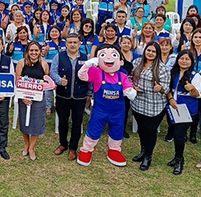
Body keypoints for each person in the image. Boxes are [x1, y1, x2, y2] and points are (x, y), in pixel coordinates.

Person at [77, 45, 136, 167]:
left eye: (113, 55)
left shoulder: (122, 76)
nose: (108, 59)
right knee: (93, 130)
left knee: (117, 131)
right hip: (100, 111)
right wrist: (87, 64)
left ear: (120, 61)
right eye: (103, 55)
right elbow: (82, 76)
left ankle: (114, 150)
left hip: (118, 112)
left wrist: (130, 91)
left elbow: (128, 87)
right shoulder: (97, 72)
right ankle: (86, 150)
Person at [130, 42, 171, 171]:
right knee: (141, 130)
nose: (150, 53)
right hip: (138, 102)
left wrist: (160, 88)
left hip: (154, 105)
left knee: (150, 131)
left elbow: (166, 87)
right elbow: (130, 78)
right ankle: (143, 151)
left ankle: (148, 156)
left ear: (157, 53)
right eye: (149, 50)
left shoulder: (162, 68)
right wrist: (132, 86)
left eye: (153, 51)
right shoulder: (137, 62)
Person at [50, 33, 89, 161]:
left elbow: (90, 78)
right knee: (63, 122)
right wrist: (60, 80)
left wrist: (89, 94)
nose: (72, 44)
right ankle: (63, 144)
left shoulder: (85, 58)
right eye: (70, 42)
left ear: (79, 44)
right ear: (66, 44)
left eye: (75, 42)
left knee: (77, 123)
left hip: (80, 97)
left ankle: (73, 148)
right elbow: (52, 72)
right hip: (63, 96)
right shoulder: (59, 56)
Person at [166, 50, 201, 175]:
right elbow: (168, 89)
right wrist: (170, 98)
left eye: (187, 59)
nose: (184, 61)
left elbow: (197, 95)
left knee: (178, 134)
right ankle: (176, 157)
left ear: (192, 61)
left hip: (186, 110)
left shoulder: (195, 76)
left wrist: (192, 88)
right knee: (175, 132)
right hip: (173, 108)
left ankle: (179, 160)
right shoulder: (172, 73)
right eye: (182, 58)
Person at [16, 41, 50, 161]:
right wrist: (23, 97)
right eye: (31, 50)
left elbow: (46, 82)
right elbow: (17, 82)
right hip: (24, 98)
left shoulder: (44, 64)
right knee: (25, 122)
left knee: (37, 123)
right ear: (27, 52)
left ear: (40, 51)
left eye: (36, 50)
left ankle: (32, 147)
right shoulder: (21, 63)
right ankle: (26, 144)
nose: (34, 53)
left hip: (39, 98)